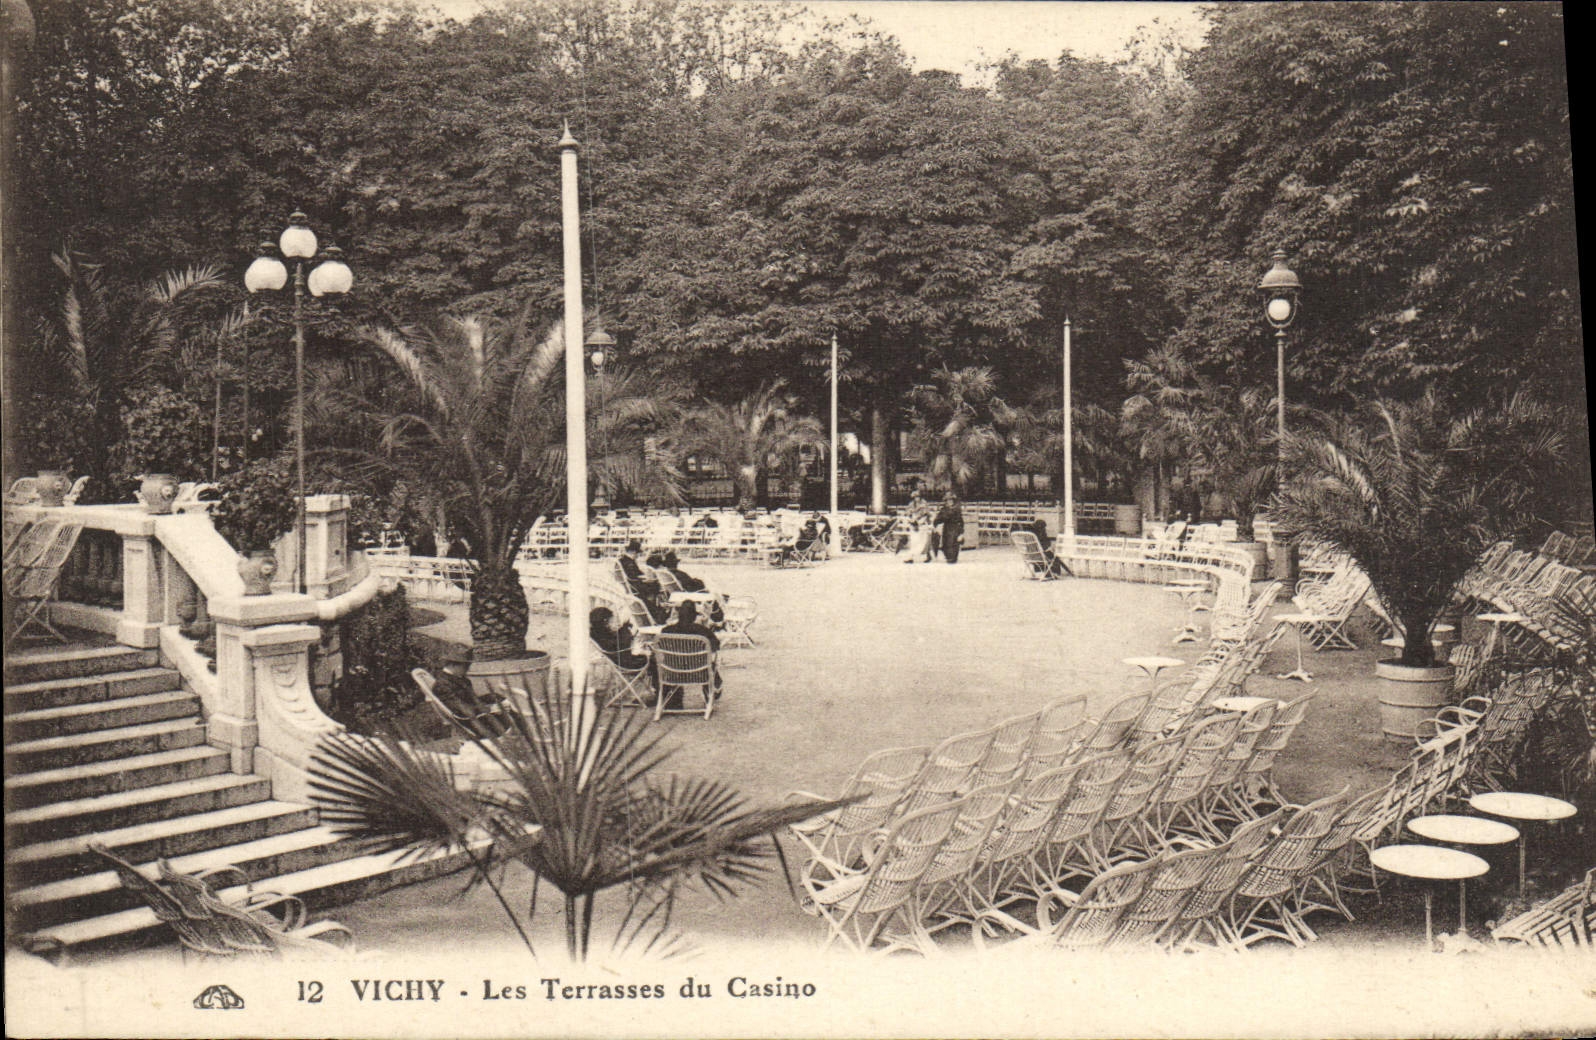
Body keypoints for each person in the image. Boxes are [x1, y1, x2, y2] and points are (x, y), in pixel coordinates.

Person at [430, 646, 511, 738]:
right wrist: (491, 709)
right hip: (470, 720)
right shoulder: (442, 685)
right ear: (453, 664)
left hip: (477, 713)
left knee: (509, 711)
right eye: (466, 666)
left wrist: (501, 700)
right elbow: (464, 710)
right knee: (511, 722)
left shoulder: (460, 679)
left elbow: (474, 700)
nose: (468, 669)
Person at [658, 601, 721, 708]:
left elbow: (659, 649)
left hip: (672, 673)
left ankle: (671, 697)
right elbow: (716, 646)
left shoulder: (666, 630)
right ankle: (712, 691)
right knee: (710, 662)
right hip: (699, 672)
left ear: (678, 615)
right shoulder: (702, 631)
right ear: (693, 616)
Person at [617, 538, 666, 620]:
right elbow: (634, 575)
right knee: (655, 585)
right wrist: (646, 578)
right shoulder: (629, 562)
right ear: (633, 552)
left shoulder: (623, 560)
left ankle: (655, 608)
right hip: (635, 586)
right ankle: (655, 609)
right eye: (637, 553)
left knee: (653, 584)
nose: (637, 556)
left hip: (630, 585)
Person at [935, 493, 965, 564]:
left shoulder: (957, 509)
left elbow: (960, 520)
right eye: (948, 500)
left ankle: (953, 557)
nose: (949, 502)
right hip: (947, 527)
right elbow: (939, 518)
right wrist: (936, 522)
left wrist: (961, 531)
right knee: (946, 542)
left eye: (951, 500)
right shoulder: (944, 509)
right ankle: (948, 556)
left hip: (954, 527)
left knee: (953, 542)